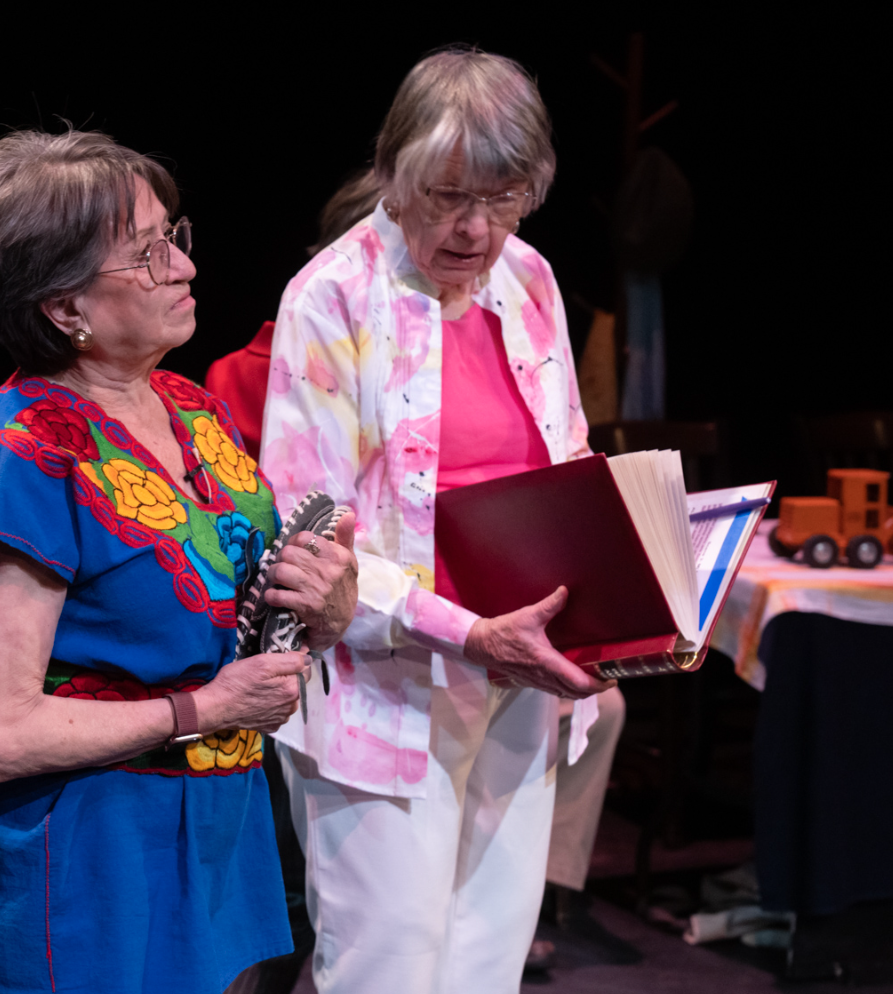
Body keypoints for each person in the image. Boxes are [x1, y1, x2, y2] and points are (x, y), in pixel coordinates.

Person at [0, 129, 358, 994]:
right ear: (63, 307)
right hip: (93, 853)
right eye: (147, 253)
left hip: (215, 829)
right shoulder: (23, 448)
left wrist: (327, 606)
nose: (185, 268)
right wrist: (200, 707)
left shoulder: (192, 408)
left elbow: (243, 618)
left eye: (175, 236)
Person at [258, 48, 611, 993]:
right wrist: (470, 632)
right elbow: (310, 542)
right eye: (449, 194)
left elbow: (566, 462)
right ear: (392, 172)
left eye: (501, 199)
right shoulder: (331, 298)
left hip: (519, 675)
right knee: (390, 966)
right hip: (387, 684)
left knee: (487, 960)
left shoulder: (530, 280)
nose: (473, 227)